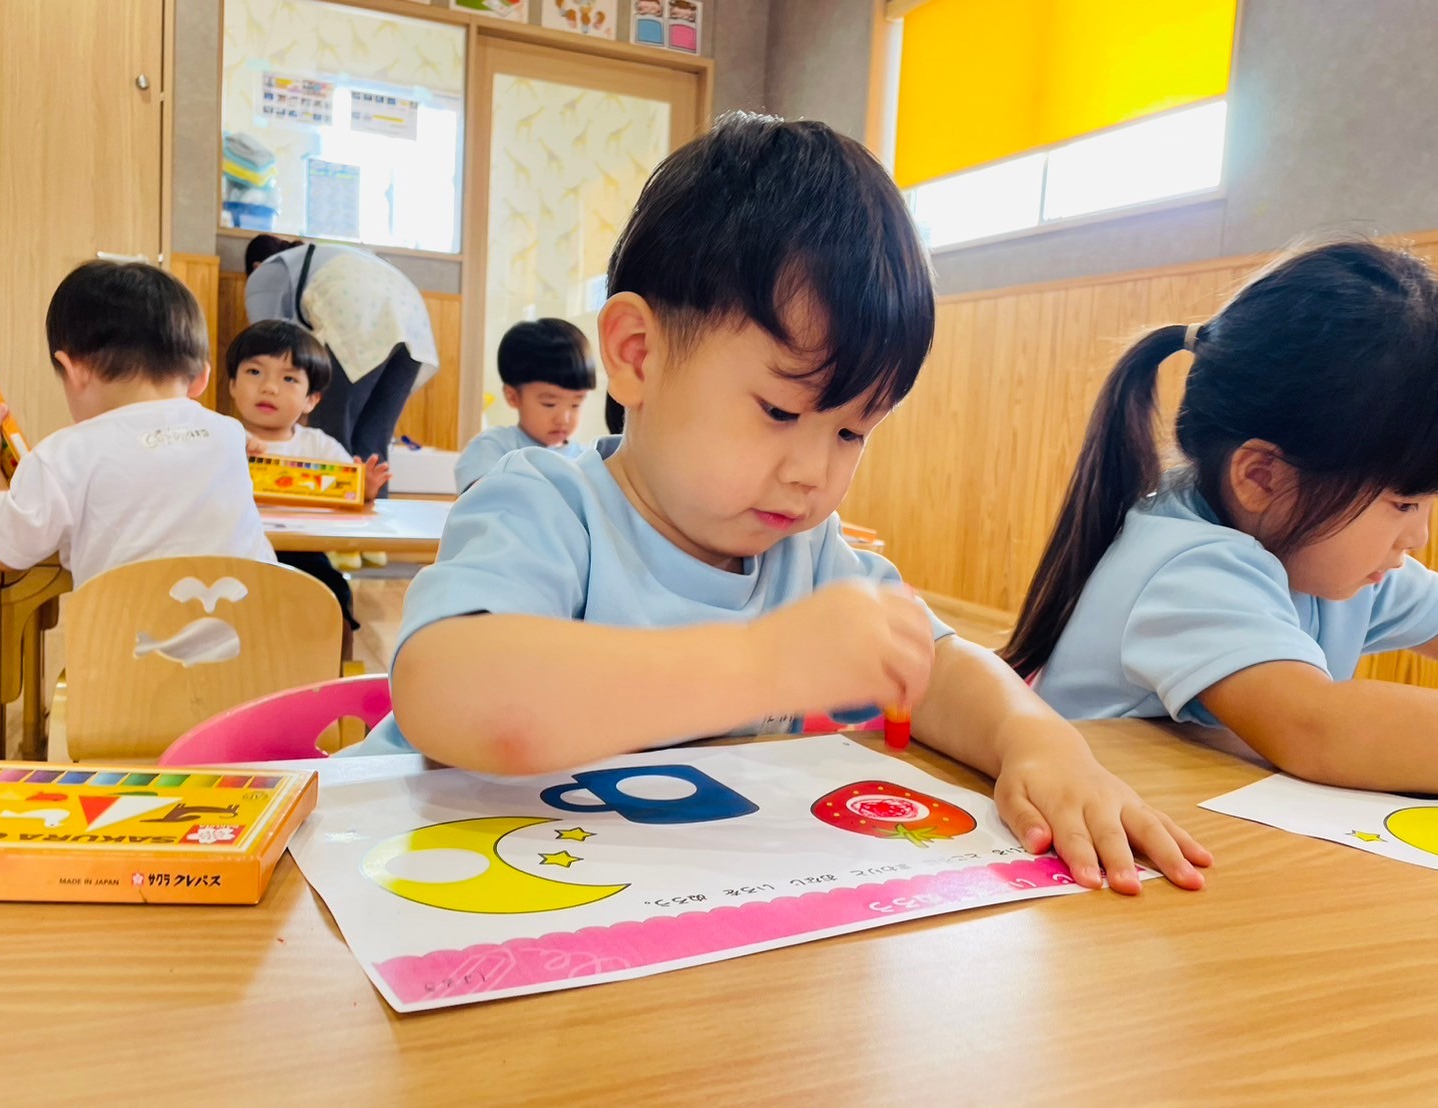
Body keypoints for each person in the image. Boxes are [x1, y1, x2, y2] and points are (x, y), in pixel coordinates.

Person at [359, 113, 1211, 896]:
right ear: (637, 355)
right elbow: (452, 694)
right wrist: (760, 664)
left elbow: (938, 671)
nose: (812, 473)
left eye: (851, 432)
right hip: (429, 885)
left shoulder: (809, 554)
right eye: (776, 411)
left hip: (641, 910)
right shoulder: (544, 506)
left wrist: (1039, 741)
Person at [1002, 240, 1438, 793]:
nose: (1419, 536)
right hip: (1083, 829)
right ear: (1263, 478)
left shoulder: (1333, 562)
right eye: (1403, 504)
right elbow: (1317, 730)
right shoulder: (1189, 567)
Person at [0, 261, 273, 586]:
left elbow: (5, 546)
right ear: (200, 379)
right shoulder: (229, 434)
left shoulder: (64, 455)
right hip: (255, 618)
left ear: (74, 370)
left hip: (127, 622)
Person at [226, 320, 393, 656]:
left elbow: (348, 492)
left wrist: (364, 490)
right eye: (254, 372)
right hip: (236, 552)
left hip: (304, 555)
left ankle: (337, 673)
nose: (269, 388)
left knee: (336, 600)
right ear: (232, 384)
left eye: (289, 379)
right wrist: (230, 457)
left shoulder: (319, 445)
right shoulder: (223, 435)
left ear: (311, 400)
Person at [243, 235, 437, 490]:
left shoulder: (267, 271)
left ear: (256, 266)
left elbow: (266, 345)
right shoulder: (322, 257)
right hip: (413, 322)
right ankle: (372, 513)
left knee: (332, 435)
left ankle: (333, 513)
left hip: (358, 314)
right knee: (373, 448)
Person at [455, 318, 595, 493]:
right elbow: (480, 499)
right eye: (549, 404)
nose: (564, 419)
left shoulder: (586, 459)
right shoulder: (492, 447)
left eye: (576, 404)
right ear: (513, 397)